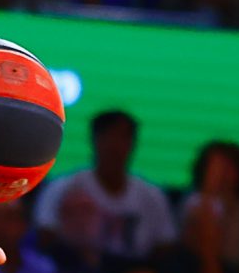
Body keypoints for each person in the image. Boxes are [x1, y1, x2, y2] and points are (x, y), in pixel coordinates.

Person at [34, 108, 178, 262]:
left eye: (123, 137)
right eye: (108, 136)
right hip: (74, 270)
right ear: (93, 139)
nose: (115, 146)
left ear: (133, 143)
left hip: (135, 271)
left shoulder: (152, 195)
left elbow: (166, 245)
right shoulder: (63, 188)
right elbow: (44, 235)